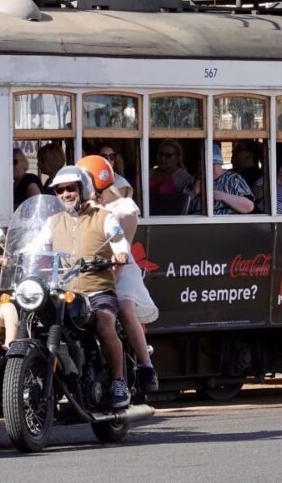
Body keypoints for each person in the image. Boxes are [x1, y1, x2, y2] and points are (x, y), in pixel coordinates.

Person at [2, 166, 131, 407]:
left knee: (104, 323)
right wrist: (11, 258)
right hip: (64, 291)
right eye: (60, 190)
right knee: (38, 321)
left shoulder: (103, 217)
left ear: (83, 190)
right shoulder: (53, 221)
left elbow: (118, 240)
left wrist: (121, 253)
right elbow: (35, 248)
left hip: (97, 290)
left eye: (70, 189)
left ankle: (118, 381)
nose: (65, 194)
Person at [77, 155, 159, 392]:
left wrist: (111, 280)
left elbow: (121, 247)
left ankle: (146, 366)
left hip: (118, 268)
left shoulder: (123, 208)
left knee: (123, 307)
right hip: (85, 268)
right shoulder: (79, 208)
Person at [210, 145, 254, 215]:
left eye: (215, 164)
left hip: (228, 224)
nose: (213, 168)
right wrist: (194, 192)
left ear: (220, 163)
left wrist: (222, 196)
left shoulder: (234, 179)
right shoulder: (198, 180)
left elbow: (249, 206)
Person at [231, 140, 264, 209]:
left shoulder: (255, 177)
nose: (233, 151)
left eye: (238, 148)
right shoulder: (234, 173)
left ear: (250, 155)